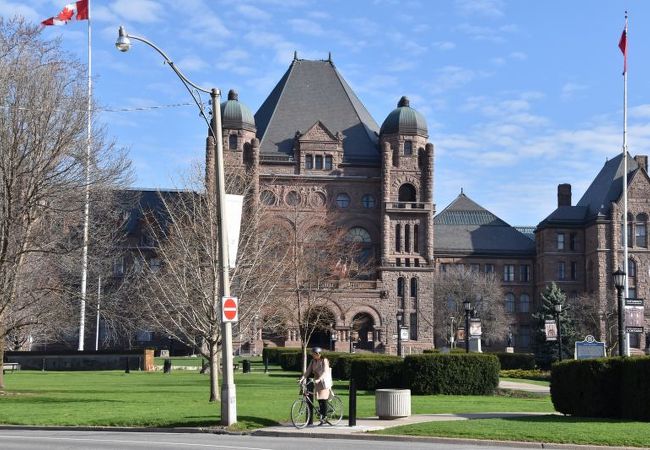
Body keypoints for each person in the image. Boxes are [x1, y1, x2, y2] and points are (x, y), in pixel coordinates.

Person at [299, 347, 331, 424]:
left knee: (323, 399)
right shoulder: (313, 361)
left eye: (314, 354)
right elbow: (308, 371)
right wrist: (302, 378)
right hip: (316, 381)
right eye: (312, 354)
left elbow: (325, 371)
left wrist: (319, 379)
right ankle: (322, 416)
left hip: (324, 381)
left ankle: (325, 416)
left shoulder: (324, 360)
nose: (313, 355)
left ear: (318, 354)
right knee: (319, 399)